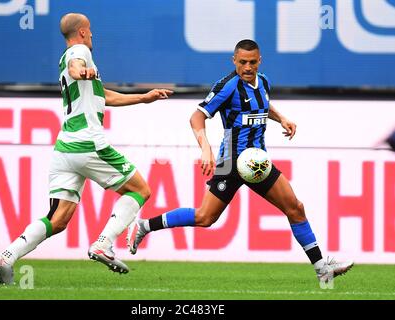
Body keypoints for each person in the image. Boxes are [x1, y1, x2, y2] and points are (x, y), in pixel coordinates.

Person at [128, 39, 353, 284]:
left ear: (260, 61)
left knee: (295, 208)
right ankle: (145, 226)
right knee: (205, 218)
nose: (247, 67)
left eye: (252, 62)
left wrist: (282, 119)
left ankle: (322, 269)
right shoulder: (227, 86)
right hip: (230, 162)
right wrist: (206, 149)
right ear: (234, 61)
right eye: (242, 62)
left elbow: (264, 107)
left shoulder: (264, 81)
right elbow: (196, 118)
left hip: (257, 162)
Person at [0, 13, 173, 285]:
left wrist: (144, 98)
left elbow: (104, 95)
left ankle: (6, 257)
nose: (92, 36)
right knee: (140, 190)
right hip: (88, 142)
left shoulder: (69, 60)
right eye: (91, 32)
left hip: (66, 147)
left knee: (59, 217)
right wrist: (83, 69)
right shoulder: (79, 52)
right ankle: (103, 243)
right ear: (84, 32)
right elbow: (78, 68)